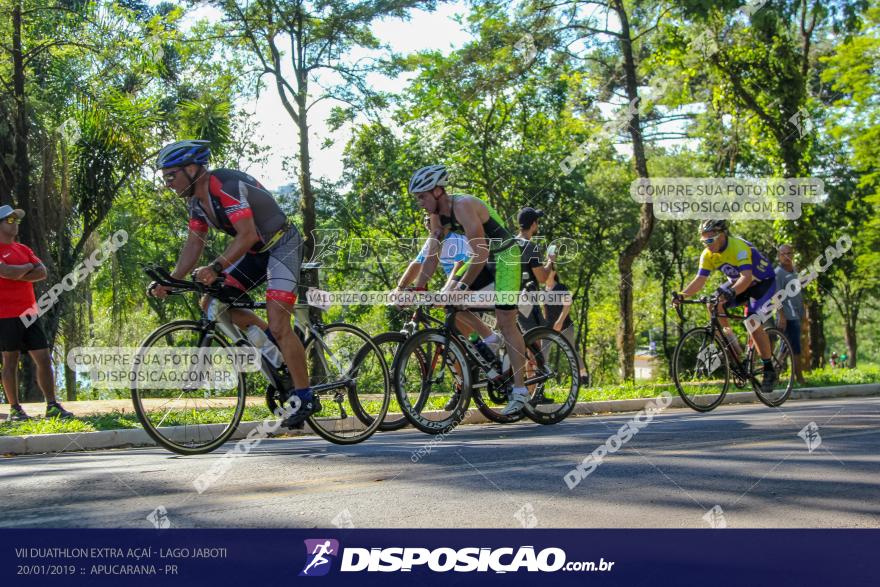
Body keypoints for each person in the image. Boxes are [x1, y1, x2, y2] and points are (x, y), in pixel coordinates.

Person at [147, 140, 313, 428]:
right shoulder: (196, 203)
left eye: (171, 176)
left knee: (278, 323)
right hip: (255, 253)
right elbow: (193, 246)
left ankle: (305, 396)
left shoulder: (225, 185)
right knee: (213, 303)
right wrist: (172, 281)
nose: (168, 184)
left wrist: (216, 267)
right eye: (165, 178)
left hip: (282, 246)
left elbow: (247, 234)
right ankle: (276, 347)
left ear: (192, 168)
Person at [409, 164, 529, 415]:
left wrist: (462, 286)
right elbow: (431, 255)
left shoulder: (462, 206)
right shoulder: (436, 217)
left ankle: (521, 392)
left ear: (438, 191)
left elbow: (481, 252)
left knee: (506, 319)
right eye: (417, 198)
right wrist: (418, 288)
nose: (419, 202)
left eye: (422, 196)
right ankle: (489, 339)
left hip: (505, 257)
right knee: (447, 300)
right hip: (481, 258)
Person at [673, 219, 778, 393]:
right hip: (740, 282)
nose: (707, 244)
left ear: (721, 236)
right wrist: (682, 296)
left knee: (752, 321)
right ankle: (733, 345)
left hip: (762, 283)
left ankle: (769, 369)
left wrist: (731, 293)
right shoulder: (707, 254)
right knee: (712, 304)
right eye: (703, 241)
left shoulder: (738, 247)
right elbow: (699, 280)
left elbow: (746, 278)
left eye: (710, 240)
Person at [0, 205, 74, 421]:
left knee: (43, 358)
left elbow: (42, 272)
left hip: (30, 313)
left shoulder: (23, 248)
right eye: (10, 220)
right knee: (10, 361)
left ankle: (52, 405)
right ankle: (15, 409)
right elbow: (4, 271)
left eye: (16, 220)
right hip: (5, 315)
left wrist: (17, 271)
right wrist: (26, 268)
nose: (15, 224)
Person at [543, 268, 589, 385]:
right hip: (548, 327)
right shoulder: (544, 290)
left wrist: (559, 321)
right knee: (542, 352)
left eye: (547, 270)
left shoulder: (561, 288)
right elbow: (545, 309)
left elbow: (567, 305)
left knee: (571, 350)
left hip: (565, 326)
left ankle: (583, 375)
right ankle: (541, 379)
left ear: (553, 273)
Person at [515, 207, 555, 332]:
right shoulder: (530, 247)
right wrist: (550, 261)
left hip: (505, 298)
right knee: (534, 340)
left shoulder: (508, 243)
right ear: (533, 224)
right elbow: (542, 278)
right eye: (537, 222)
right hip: (525, 299)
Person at [775, 244, 806, 384]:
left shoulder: (794, 271)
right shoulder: (778, 273)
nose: (786, 256)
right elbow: (776, 296)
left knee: (786, 348)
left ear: (793, 255)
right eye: (783, 254)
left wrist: (802, 311)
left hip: (795, 314)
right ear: (778, 256)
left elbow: (798, 293)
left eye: (789, 253)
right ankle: (799, 378)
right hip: (787, 316)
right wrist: (781, 316)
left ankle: (773, 376)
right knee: (794, 348)